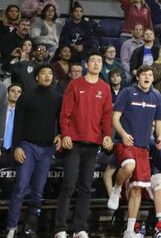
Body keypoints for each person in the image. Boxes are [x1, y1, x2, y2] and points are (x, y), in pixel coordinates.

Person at [55, 52, 113, 238]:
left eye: (99, 61)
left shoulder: (105, 88)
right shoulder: (75, 84)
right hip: (73, 143)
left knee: (86, 186)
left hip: (93, 144)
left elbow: (106, 116)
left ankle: (80, 228)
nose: (96, 63)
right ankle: (60, 229)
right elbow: (65, 113)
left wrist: (107, 136)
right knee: (69, 184)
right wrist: (65, 134)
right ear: (87, 64)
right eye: (93, 61)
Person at [108, 65, 161, 238]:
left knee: (136, 190)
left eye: (150, 75)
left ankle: (129, 230)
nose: (147, 77)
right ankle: (116, 189)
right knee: (128, 165)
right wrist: (124, 134)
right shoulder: (127, 92)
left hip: (143, 146)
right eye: (144, 74)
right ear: (138, 77)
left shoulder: (156, 96)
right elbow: (114, 118)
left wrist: (160, 137)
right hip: (125, 143)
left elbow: (160, 122)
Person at [5, 65, 61, 238]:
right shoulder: (26, 96)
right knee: (21, 187)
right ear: (36, 77)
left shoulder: (58, 98)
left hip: (46, 150)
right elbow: (18, 124)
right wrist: (17, 147)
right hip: (27, 146)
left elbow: (62, 121)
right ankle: (11, 227)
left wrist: (61, 133)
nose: (47, 76)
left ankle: (30, 227)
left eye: (50, 73)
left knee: (38, 191)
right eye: (43, 73)